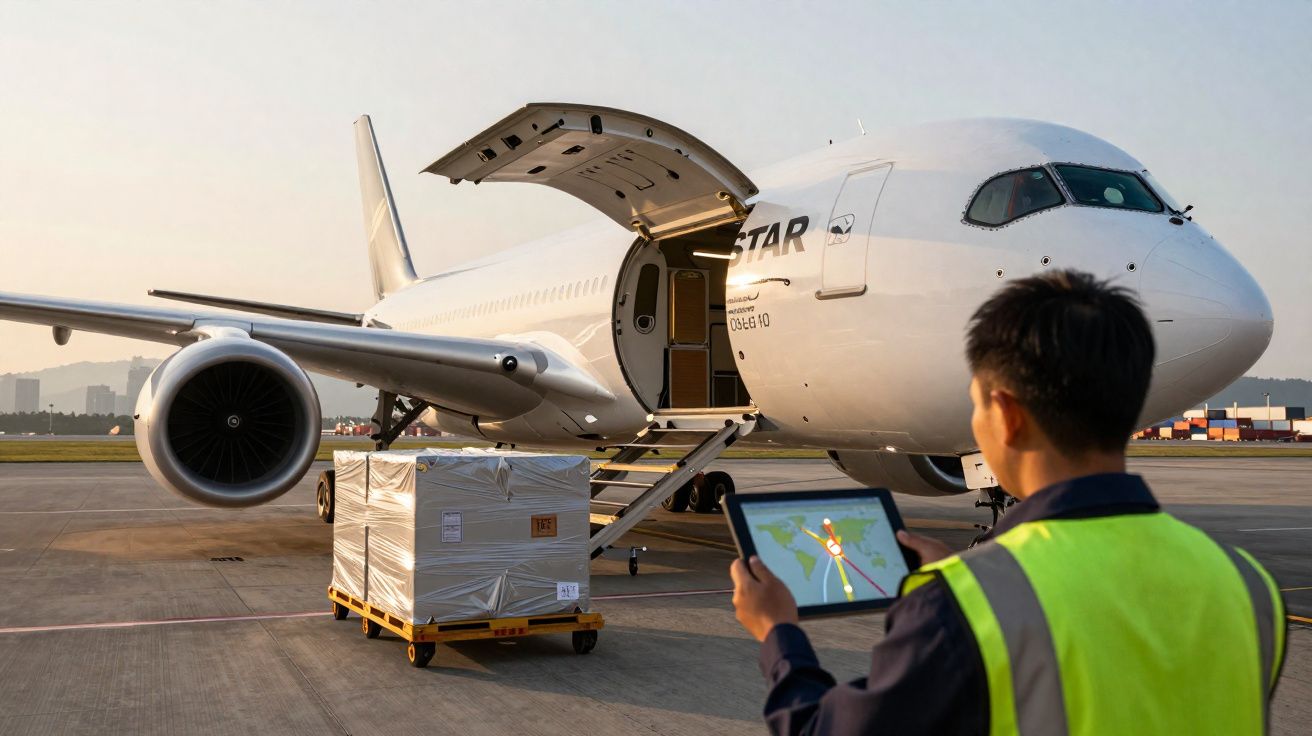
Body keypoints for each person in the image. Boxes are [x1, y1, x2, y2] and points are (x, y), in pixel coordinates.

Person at [730, 269, 1286, 735]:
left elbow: (818, 728)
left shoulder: (964, 608)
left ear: (1008, 414)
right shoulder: (1247, 583)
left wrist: (778, 633)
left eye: (977, 404)